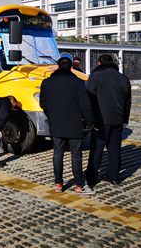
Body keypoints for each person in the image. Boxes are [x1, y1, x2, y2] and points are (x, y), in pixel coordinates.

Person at [40, 53, 95, 195]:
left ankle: (58, 184)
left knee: (57, 154)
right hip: (74, 125)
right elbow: (85, 105)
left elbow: (43, 104)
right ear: (71, 67)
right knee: (76, 155)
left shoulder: (46, 83)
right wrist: (89, 122)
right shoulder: (78, 82)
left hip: (56, 125)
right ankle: (79, 186)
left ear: (58, 66)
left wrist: (52, 116)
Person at [86, 54, 131, 187]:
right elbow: (127, 102)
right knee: (114, 148)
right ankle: (114, 177)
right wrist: (124, 120)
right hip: (117, 119)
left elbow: (88, 99)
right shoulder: (123, 78)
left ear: (99, 63)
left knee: (97, 148)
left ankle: (92, 176)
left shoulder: (95, 77)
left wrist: (89, 119)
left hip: (100, 119)